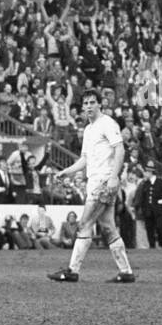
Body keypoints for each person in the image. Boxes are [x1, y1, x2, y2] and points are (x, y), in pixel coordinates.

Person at [47, 90, 135, 283]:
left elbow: (120, 150)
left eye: (92, 102)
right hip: (95, 182)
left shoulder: (108, 123)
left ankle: (72, 270)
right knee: (108, 227)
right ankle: (126, 271)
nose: (88, 106)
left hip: (104, 182)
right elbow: (84, 159)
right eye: (85, 103)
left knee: (84, 224)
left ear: (99, 105)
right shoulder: (88, 129)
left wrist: (113, 177)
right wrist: (66, 171)